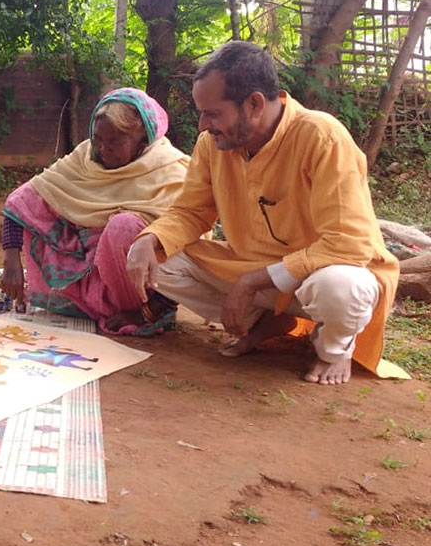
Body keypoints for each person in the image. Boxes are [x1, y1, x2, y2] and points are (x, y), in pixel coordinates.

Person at [126, 41, 401, 385]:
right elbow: (191, 212)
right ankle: (263, 323)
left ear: (254, 104)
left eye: (212, 114)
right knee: (160, 261)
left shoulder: (322, 136)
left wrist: (254, 280)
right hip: (252, 272)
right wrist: (149, 239)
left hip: (320, 276)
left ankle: (334, 350)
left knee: (341, 287)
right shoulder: (212, 145)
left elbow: (349, 243)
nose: (202, 125)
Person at [0, 87, 189, 335]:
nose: (102, 148)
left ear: (143, 140)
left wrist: (151, 309)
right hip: (91, 276)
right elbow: (21, 201)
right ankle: (94, 306)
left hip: (142, 288)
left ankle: (144, 313)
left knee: (122, 227)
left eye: (114, 142)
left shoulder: (171, 170)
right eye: (97, 138)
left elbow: (188, 243)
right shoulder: (85, 157)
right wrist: (11, 261)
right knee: (38, 209)